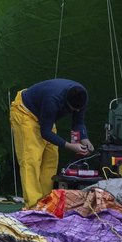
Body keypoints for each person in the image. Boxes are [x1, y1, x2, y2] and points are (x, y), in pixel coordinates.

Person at [11, 78, 92, 207]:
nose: (76, 112)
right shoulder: (52, 100)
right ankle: (33, 206)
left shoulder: (82, 96)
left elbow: (78, 122)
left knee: (51, 158)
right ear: (66, 102)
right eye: (72, 109)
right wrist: (71, 146)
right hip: (26, 112)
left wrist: (85, 138)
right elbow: (46, 133)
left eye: (78, 109)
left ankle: (46, 203)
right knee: (31, 160)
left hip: (44, 117)